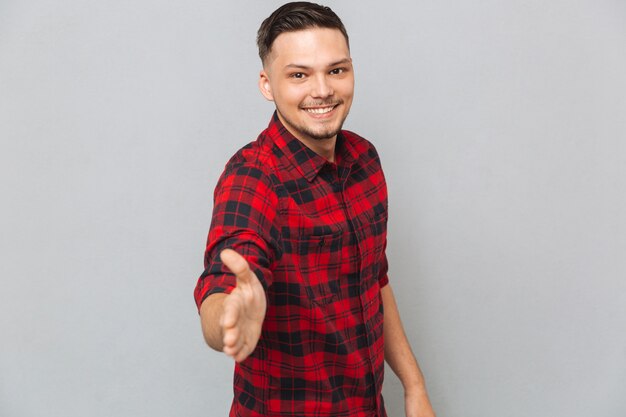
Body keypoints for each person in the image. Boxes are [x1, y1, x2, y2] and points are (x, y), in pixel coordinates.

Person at [194, 2, 435, 416]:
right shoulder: (253, 178)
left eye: (336, 70)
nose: (322, 90)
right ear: (267, 85)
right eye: (299, 75)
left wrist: (414, 388)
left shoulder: (364, 159)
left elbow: (375, 280)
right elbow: (223, 279)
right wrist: (229, 315)